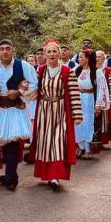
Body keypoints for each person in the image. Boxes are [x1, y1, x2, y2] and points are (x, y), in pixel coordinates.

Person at [0, 40, 37, 190]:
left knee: (12, 143)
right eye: (2, 49)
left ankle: (11, 178)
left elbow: (35, 83)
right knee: (2, 143)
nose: (5, 51)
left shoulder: (23, 66)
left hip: (15, 109)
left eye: (8, 49)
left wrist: (19, 93)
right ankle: (11, 175)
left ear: (12, 50)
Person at [32, 39, 82, 191]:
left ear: (59, 53)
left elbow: (74, 94)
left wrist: (77, 114)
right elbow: (33, 90)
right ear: (44, 54)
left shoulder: (68, 72)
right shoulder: (40, 71)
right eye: (49, 51)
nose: (52, 54)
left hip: (60, 110)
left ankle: (56, 176)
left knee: (59, 142)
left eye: (54, 51)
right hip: (43, 111)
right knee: (45, 143)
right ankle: (45, 173)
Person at [75, 49, 108, 159]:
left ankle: (89, 150)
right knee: (78, 124)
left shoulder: (96, 72)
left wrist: (98, 104)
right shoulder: (77, 70)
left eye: (81, 57)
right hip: (78, 100)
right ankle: (81, 147)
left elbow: (101, 88)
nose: (79, 59)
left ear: (88, 59)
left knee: (88, 124)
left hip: (89, 100)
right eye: (79, 57)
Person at [96, 50, 111, 148]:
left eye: (99, 57)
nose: (97, 59)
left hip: (105, 99)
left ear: (104, 59)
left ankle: (102, 140)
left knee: (104, 120)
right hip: (93, 99)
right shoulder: (90, 69)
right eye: (95, 57)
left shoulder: (108, 71)